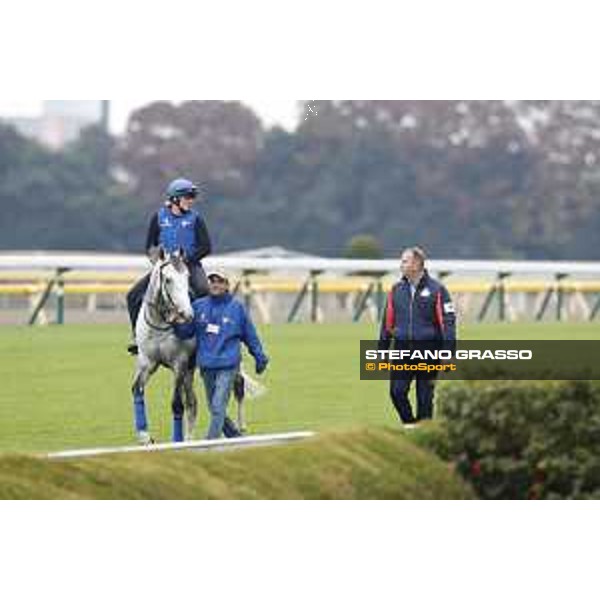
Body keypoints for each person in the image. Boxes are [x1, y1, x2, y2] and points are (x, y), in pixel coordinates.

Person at [178, 271, 269, 440]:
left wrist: (260, 357)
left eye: (220, 281)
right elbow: (186, 333)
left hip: (229, 366)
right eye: (212, 281)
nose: (215, 284)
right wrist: (176, 323)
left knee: (218, 406)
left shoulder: (237, 308)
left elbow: (250, 335)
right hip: (206, 367)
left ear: (227, 285)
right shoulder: (198, 306)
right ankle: (235, 438)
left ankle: (209, 444)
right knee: (214, 408)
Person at [126, 178, 212, 355]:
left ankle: (208, 338)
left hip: (190, 266)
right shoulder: (158, 217)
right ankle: (137, 337)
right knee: (132, 295)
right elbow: (150, 245)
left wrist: (186, 260)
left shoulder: (196, 219)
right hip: (164, 267)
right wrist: (157, 261)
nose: (191, 200)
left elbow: (206, 247)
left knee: (204, 291)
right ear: (175, 199)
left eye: (192, 197)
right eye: (187, 197)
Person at [378, 247, 456, 425]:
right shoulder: (396, 290)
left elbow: (448, 324)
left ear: (416, 264)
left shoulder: (437, 290)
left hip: (429, 353)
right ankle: (410, 425)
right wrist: (382, 350)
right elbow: (387, 323)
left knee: (424, 400)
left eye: (405, 261)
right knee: (396, 393)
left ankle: (424, 437)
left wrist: (448, 353)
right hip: (402, 351)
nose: (401, 264)